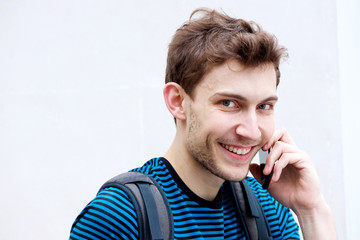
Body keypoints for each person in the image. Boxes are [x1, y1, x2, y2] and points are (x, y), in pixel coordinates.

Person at [69, 8, 337, 240]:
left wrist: (311, 209)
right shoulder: (119, 217)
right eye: (229, 103)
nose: (252, 130)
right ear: (178, 101)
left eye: (264, 106)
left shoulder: (269, 208)